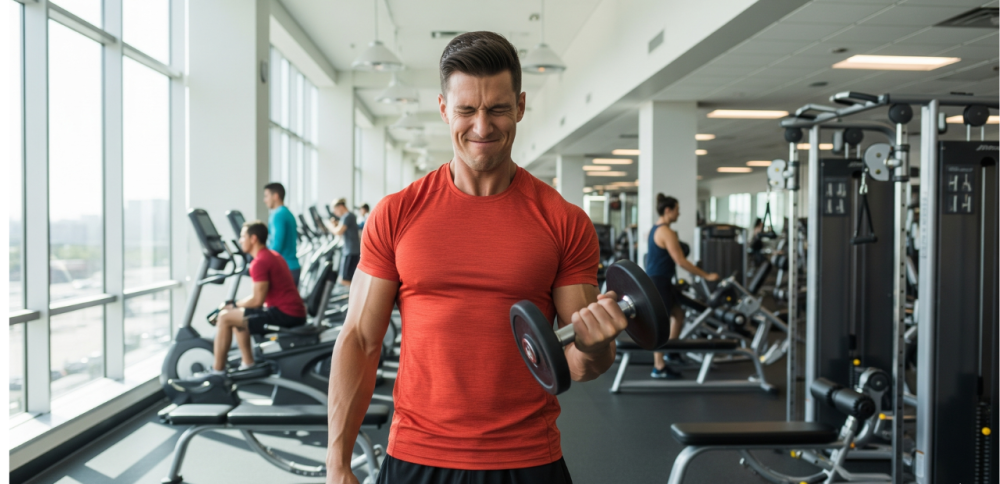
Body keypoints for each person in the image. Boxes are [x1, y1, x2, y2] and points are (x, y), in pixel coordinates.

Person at [326, 32, 627, 484]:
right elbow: (360, 342)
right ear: (444, 108)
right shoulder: (397, 213)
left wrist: (597, 343)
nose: (482, 127)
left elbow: (580, 365)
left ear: (521, 106)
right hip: (416, 455)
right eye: (466, 110)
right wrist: (337, 463)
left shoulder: (564, 221)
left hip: (526, 460)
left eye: (498, 109)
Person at [210, 221, 306, 374]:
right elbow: (258, 299)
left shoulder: (260, 262)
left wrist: (234, 305)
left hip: (286, 314)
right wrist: (237, 306)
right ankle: (248, 363)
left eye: (243, 237)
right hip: (291, 312)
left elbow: (256, 301)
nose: (240, 240)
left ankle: (217, 372)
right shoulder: (273, 255)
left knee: (224, 317)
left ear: (253, 238)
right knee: (236, 318)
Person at [647, 194, 720, 379]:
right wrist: (706, 275)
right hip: (659, 282)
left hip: (662, 281)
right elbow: (680, 261)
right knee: (662, 323)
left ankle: (671, 351)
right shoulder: (666, 232)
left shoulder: (656, 229)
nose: (679, 214)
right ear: (668, 210)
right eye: (677, 210)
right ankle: (659, 367)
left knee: (678, 314)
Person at [263, 182, 301, 286]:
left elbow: (276, 245)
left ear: (275, 196)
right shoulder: (287, 213)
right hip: (291, 266)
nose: (264, 200)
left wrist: (261, 259)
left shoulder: (278, 215)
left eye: (266, 196)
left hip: (284, 268)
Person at [330, 198, 361, 288]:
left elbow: (339, 232)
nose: (335, 213)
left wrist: (330, 226)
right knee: (345, 278)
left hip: (351, 251)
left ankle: (357, 296)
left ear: (341, 206)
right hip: (349, 250)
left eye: (335, 210)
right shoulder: (347, 217)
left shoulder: (348, 216)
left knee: (345, 279)